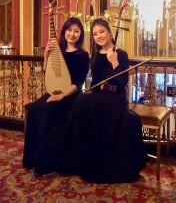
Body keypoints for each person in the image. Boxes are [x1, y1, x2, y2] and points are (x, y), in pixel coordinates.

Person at [34, 17, 146, 183]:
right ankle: (57, 154)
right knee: (81, 100)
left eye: (102, 32)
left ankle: (54, 150)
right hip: (99, 97)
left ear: (109, 32)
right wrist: (90, 91)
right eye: (95, 34)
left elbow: (122, 83)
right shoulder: (95, 55)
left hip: (115, 99)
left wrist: (114, 62)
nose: (99, 36)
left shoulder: (120, 54)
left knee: (79, 102)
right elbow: (94, 83)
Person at [22, 16, 89, 169]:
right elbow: (48, 72)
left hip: (70, 95)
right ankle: (32, 157)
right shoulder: (57, 50)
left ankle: (46, 159)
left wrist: (62, 95)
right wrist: (46, 55)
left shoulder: (83, 55)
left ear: (80, 34)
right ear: (64, 31)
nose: (72, 34)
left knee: (47, 110)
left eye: (76, 31)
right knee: (34, 109)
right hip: (55, 91)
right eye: (69, 30)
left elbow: (78, 83)